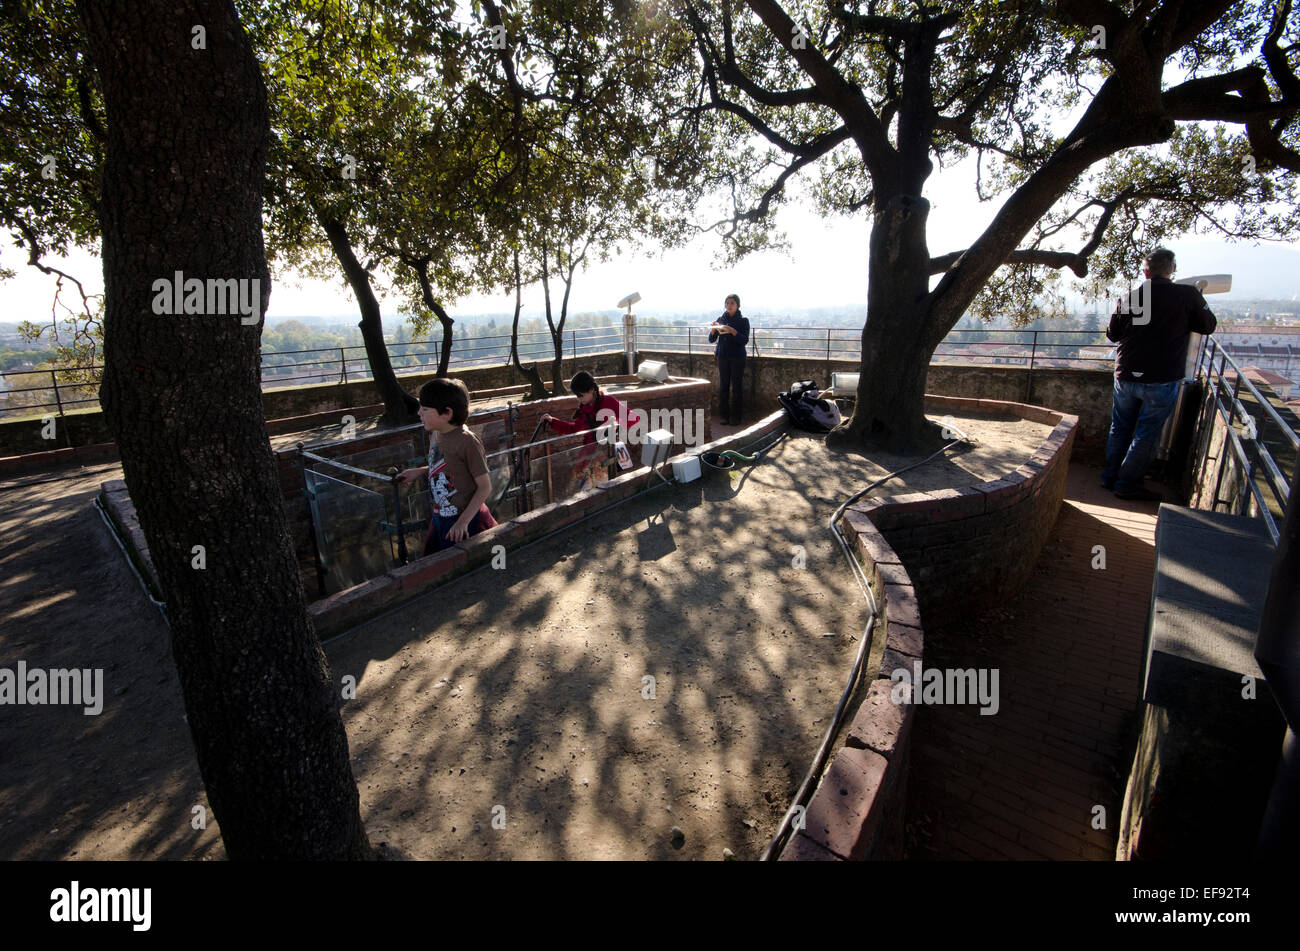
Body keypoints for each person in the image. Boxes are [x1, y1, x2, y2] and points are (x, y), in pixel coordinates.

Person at [1102, 247, 1217, 501]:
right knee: (1146, 434)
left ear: (1146, 272)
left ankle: (1109, 477)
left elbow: (1113, 334)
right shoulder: (1187, 295)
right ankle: (1126, 484)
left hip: (1126, 373)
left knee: (1119, 428)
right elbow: (1208, 325)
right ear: (1173, 270)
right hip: (1162, 377)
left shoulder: (1132, 296)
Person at [396, 378, 497, 555]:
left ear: (447, 413)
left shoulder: (467, 442)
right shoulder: (437, 433)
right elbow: (450, 467)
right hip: (440, 517)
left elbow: (485, 486)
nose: (419, 412)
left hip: (465, 522)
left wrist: (463, 522)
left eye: (425, 409)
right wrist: (420, 471)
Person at [540, 370, 642, 490]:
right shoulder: (583, 409)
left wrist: (613, 426)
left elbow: (634, 418)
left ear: (591, 390)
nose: (579, 399)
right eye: (577, 396)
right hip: (587, 455)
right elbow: (574, 428)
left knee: (597, 490)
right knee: (587, 490)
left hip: (605, 454)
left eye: (581, 395)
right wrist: (553, 421)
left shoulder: (608, 402)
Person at [709, 293, 750, 425]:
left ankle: (736, 417)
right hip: (723, 357)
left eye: (732, 303)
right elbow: (711, 340)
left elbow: (745, 340)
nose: (729, 305)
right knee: (723, 387)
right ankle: (724, 416)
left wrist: (733, 331)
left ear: (738, 305)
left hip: (737, 357)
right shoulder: (721, 319)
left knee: (737, 387)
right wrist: (713, 330)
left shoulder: (744, 321)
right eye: (727, 303)